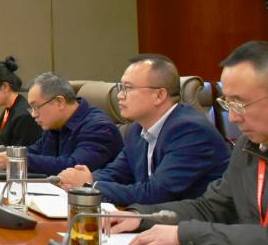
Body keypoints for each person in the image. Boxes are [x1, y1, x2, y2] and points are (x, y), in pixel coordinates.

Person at [112, 41, 268, 245]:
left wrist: (184, 234)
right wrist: (141, 216)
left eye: (240, 104)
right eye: (228, 104)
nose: (232, 117)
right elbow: (210, 207)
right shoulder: (247, 147)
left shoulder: (191, 129)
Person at [57, 54, 228, 206]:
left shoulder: (190, 131)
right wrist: (86, 179)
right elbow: (117, 173)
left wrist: (90, 186)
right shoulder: (137, 129)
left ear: (159, 95)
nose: (120, 95)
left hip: (195, 225)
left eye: (128, 88)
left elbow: (157, 194)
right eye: (120, 88)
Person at [0, 72, 123, 176]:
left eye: (36, 107)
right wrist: (2, 157)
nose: (33, 114)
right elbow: (35, 150)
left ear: (60, 102)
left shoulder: (99, 127)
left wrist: (17, 161)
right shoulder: (56, 124)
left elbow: (74, 167)